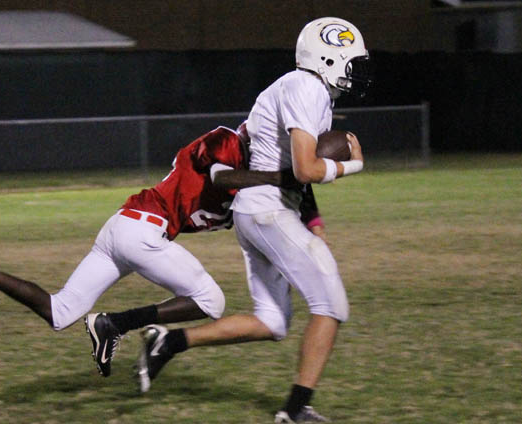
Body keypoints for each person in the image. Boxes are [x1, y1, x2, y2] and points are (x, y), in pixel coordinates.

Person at [0, 124, 323, 378]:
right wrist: (282, 175)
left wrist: (308, 210)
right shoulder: (226, 140)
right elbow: (222, 176)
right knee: (211, 300)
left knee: (60, 312)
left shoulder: (254, 185)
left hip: (127, 229)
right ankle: (114, 324)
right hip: (143, 229)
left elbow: (282, 199)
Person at [135, 17, 370, 423]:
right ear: (328, 59)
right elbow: (305, 169)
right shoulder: (307, 88)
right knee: (330, 305)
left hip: (259, 212)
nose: (356, 71)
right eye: (351, 61)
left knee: (272, 321)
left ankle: (168, 343)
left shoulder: (301, 88)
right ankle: (295, 412)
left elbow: (294, 172)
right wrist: (354, 165)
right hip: (268, 211)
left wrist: (313, 222)